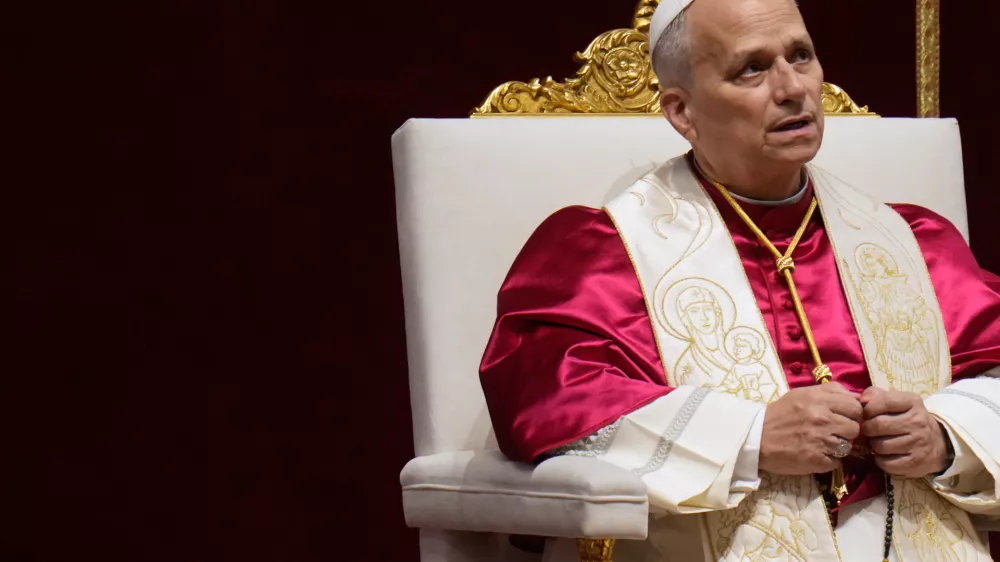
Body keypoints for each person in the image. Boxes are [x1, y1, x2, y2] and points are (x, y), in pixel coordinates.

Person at [478, 0, 1000, 559]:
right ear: (681, 112)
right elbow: (554, 406)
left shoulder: (915, 243)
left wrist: (945, 437)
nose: (792, 88)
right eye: (751, 68)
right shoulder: (604, 254)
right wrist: (751, 436)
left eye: (801, 56)